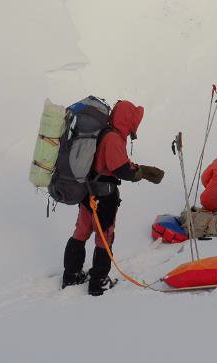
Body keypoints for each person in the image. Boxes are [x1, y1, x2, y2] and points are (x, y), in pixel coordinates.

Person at [62, 99, 164, 295]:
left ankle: (71, 275)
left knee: (81, 232)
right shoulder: (114, 139)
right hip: (104, 196)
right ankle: (98, 282)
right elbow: (122, 170)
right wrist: (142, 172)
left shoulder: (102, 133)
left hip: (88, 192)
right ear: (127, 120)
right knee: (104, 237)